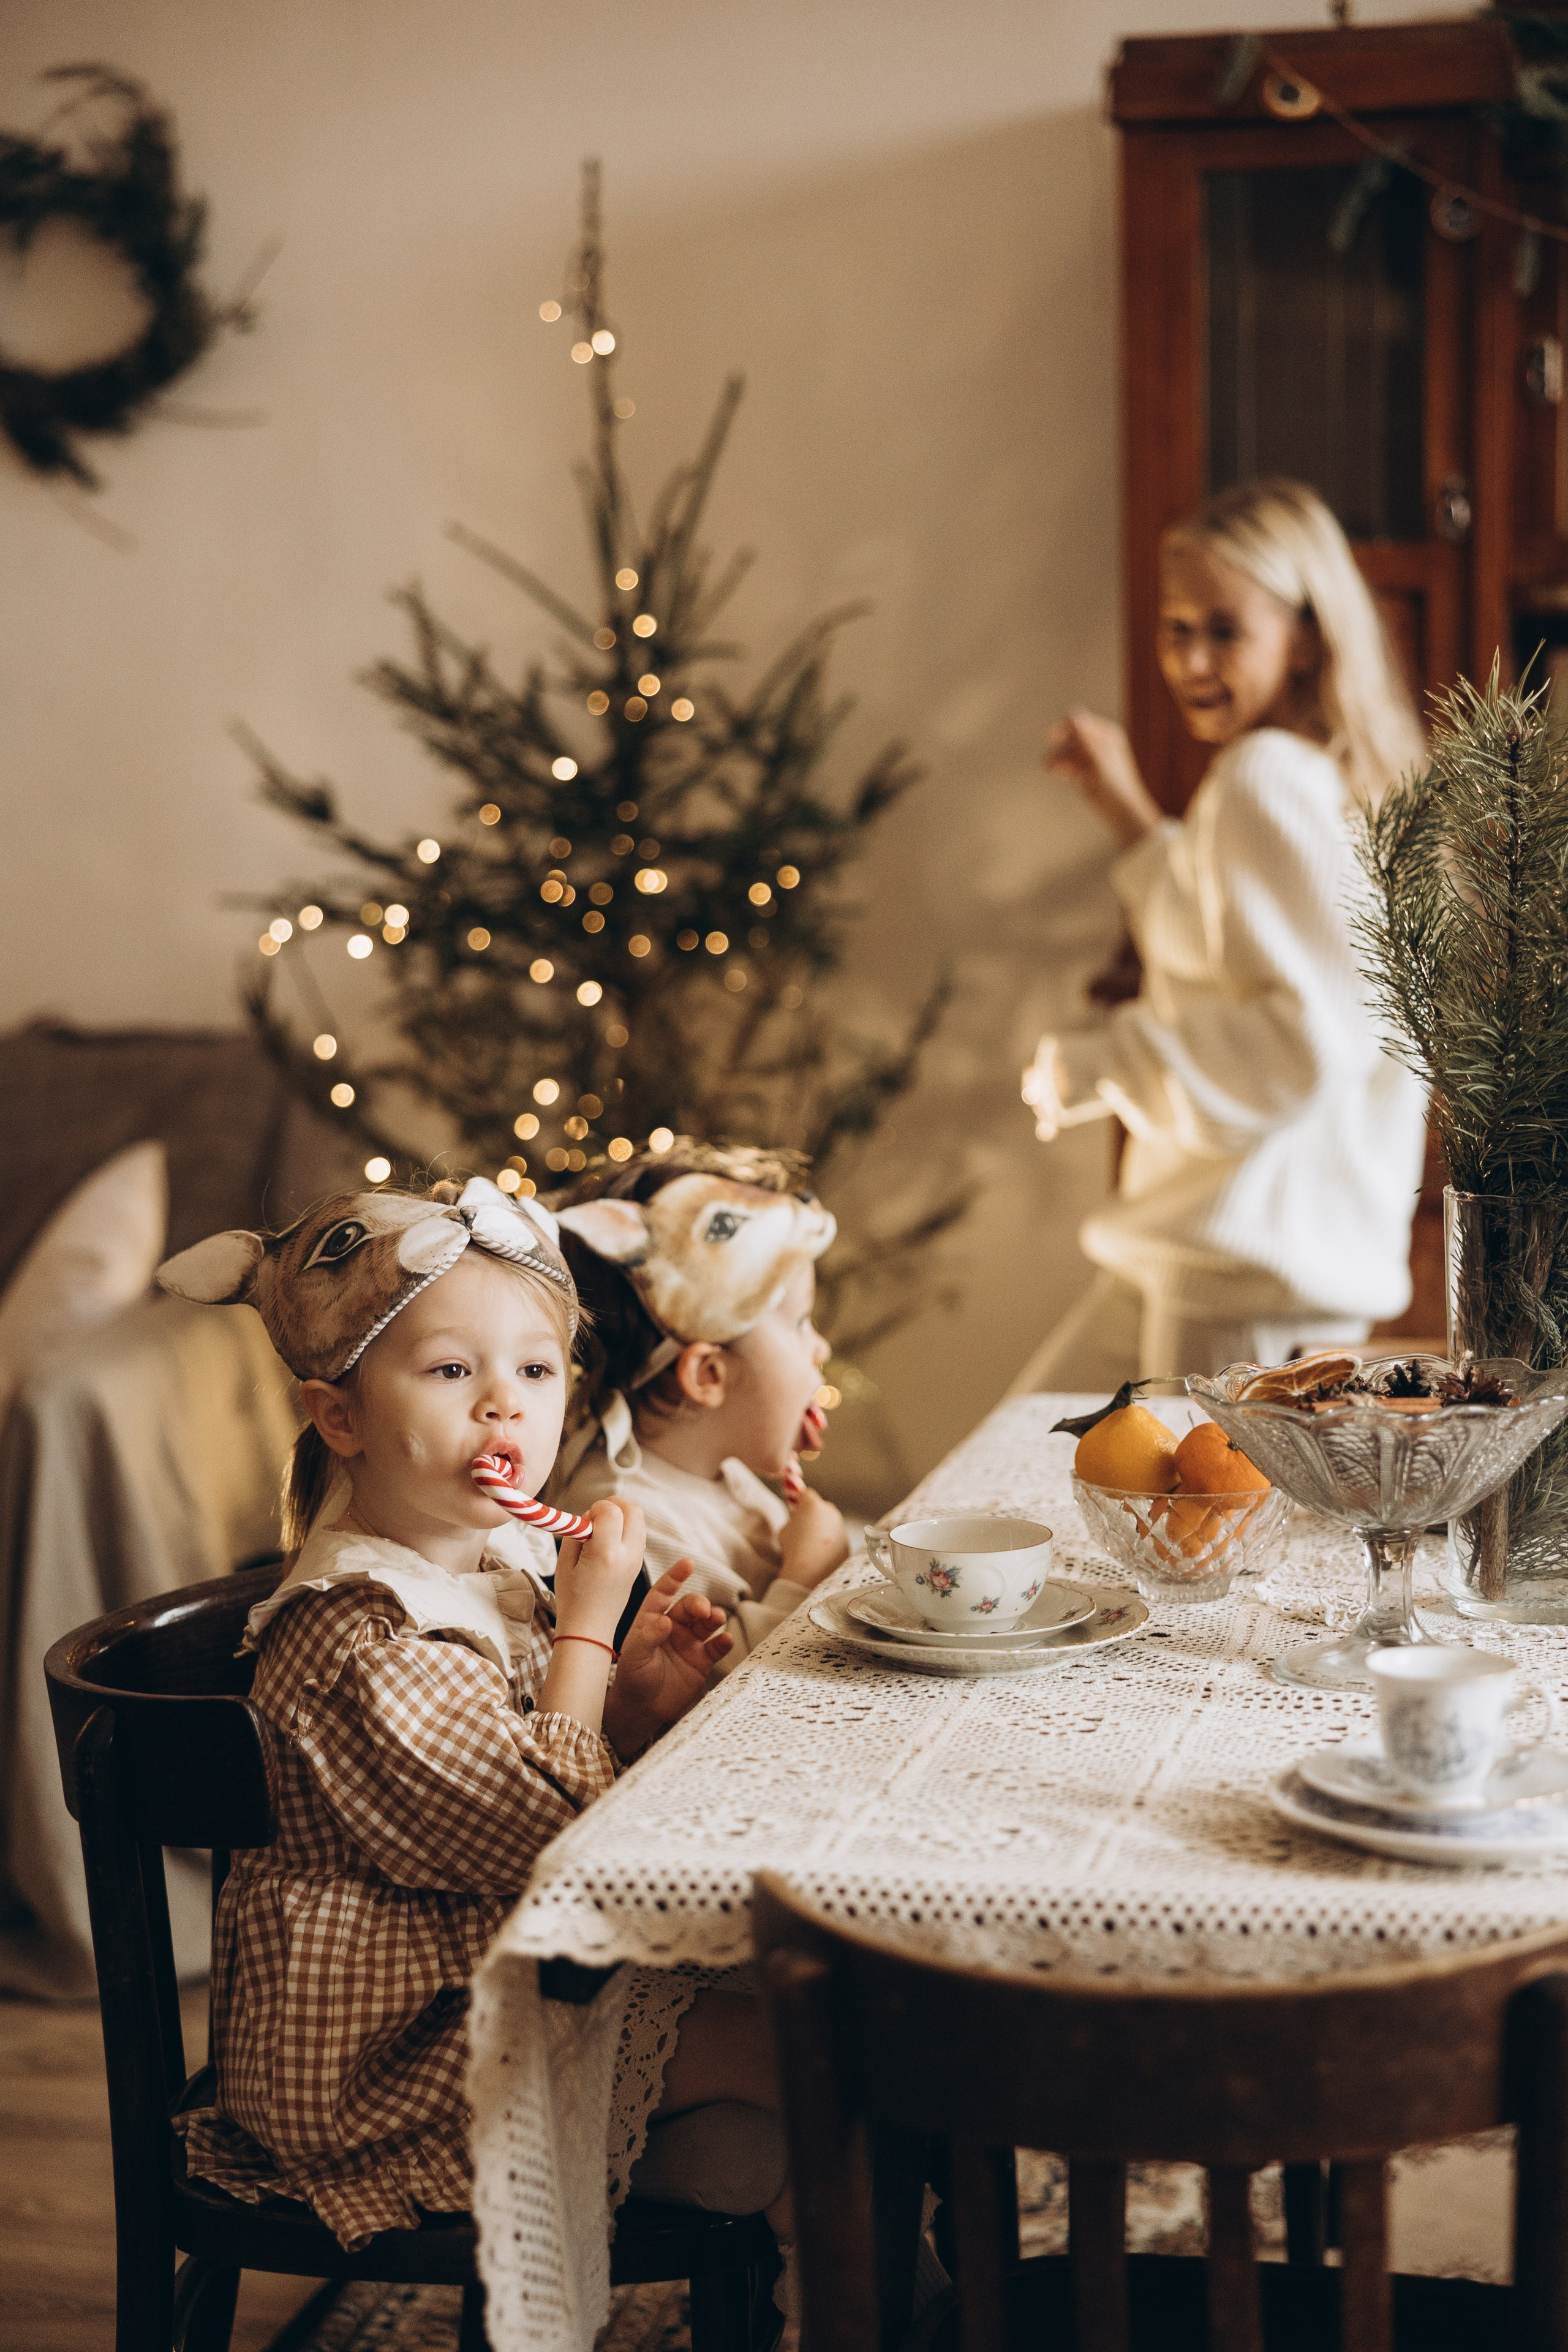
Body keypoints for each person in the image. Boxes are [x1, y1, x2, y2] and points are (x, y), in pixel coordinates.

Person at [154, 1176, 791, 2263]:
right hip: (379, 2058)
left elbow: (547, 1761)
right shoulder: (364, 1632)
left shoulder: (495, 1567)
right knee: (807, 2044)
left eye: (536, 1372)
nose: (507, 1405)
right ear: (339, 1415)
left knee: (789, 2039)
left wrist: (627, 1698)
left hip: (489, 1983)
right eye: (454, 1372)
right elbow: (553, 1842)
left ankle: (803, 2239)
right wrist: (589, 1631)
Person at [1015, 477, 1428, 1389]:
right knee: (1035, 1462)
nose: (1193, 661)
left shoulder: (1262, 778)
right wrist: (1124, 810)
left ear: (1307, 637)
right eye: (1177, 628)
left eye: (1224, 630)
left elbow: (1295, 1042)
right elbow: (1217, 945)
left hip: (1242, 1270)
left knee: (1185, 1522)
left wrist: (1099, 1063)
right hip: (1228, 1256)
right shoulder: (1315, 780)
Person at [549, 1142, 850, 1665]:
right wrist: (803, 1580)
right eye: (801, 1323)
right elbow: (695, 1704)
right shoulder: (625, 1524)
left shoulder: (719, 1471)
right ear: (709, 1374)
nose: (820, 1348)